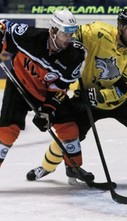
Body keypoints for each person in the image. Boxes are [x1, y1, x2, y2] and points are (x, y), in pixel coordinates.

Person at [27, 8, 127, 184]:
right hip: (85, 99)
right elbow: (71, 35)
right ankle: (46, 167)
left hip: (120, 102)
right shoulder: (98, 32)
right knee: (69, 134)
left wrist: (99, 96)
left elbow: (121, 88)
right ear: (120, 27)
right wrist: (73, 51)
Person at [0, 9, 94, 183]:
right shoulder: (31, 37)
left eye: (71, 33)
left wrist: (48, 110)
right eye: (65, 34)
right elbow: (3, 26)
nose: (69, 38)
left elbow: (61, 87)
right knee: (7, 132)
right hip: (19, 83)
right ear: (52, 31)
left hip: (45, 93)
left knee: (69, 126)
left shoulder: (74, 55)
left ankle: (74, 168)